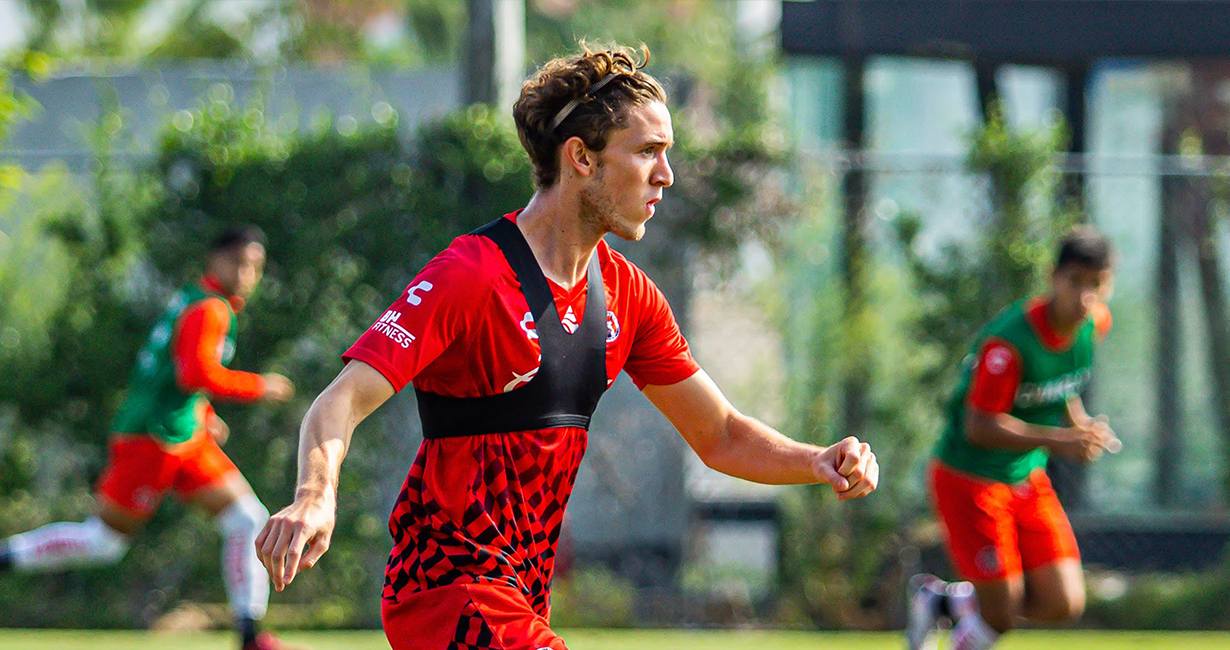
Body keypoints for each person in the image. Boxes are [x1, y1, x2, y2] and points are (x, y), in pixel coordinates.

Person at [255, 43, 879, 650]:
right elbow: (340, 400)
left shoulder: (629, 297)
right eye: (649, 152)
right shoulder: (472, 275)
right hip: (448, 592)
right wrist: (314, 496)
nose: (666, 174)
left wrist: (816, 460)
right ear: (581, 156)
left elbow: (720, 436)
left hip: (521, 598)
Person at [0, 225, 298, 650]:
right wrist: (261, 386)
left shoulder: (194, 300)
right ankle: (6, 554)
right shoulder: (210, 308)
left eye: (255, 266)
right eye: (239, 262)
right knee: (104, 542)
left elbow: (174, 375)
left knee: (247, 519)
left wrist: (203, 411)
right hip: (151, 437)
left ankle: (250, 636)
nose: (247, 273)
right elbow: (194, 372)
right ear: (214, 261)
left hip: (184, 434)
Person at [905, 226, 1119, 650]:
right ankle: (963, 615)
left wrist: (1078, 425)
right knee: (1000, 613)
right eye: (1074, 281)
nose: (1084, 296)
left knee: (1064, 602)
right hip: (970, 479)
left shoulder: (1093, 324)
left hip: (1024, 477)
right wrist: (1060, 441)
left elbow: (1062, 385)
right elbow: (979, 426)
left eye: (1096, 284)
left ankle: (941, 602)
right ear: (1052, 276)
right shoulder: (1009, 343)